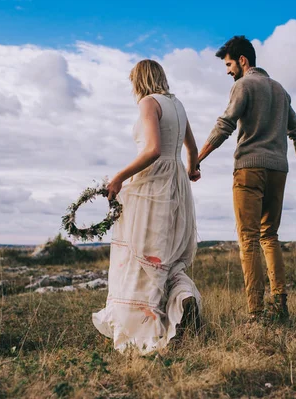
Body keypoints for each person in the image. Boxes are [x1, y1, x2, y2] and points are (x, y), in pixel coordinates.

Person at [197, 36, 296, 323]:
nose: (227, 71)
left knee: (248, 239)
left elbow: (224, 125)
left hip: (249, 168)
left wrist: (196, 160)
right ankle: (280, 304)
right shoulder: (280, 90)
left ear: (243, 61)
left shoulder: (244, 85)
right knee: (269, 237)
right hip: (278, 170)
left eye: (228, 64)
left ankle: (256, 312)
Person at [93, 59, 202, 354]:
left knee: (143, 254)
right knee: (167, 253)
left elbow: (153, 149)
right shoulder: (177, 104)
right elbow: (191, 148)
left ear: (139, 80)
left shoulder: (148, 103)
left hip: (154, 183)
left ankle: (148, 329)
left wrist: (119, 178)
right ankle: (182, 300)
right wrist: (192, 169)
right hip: (176, 182)